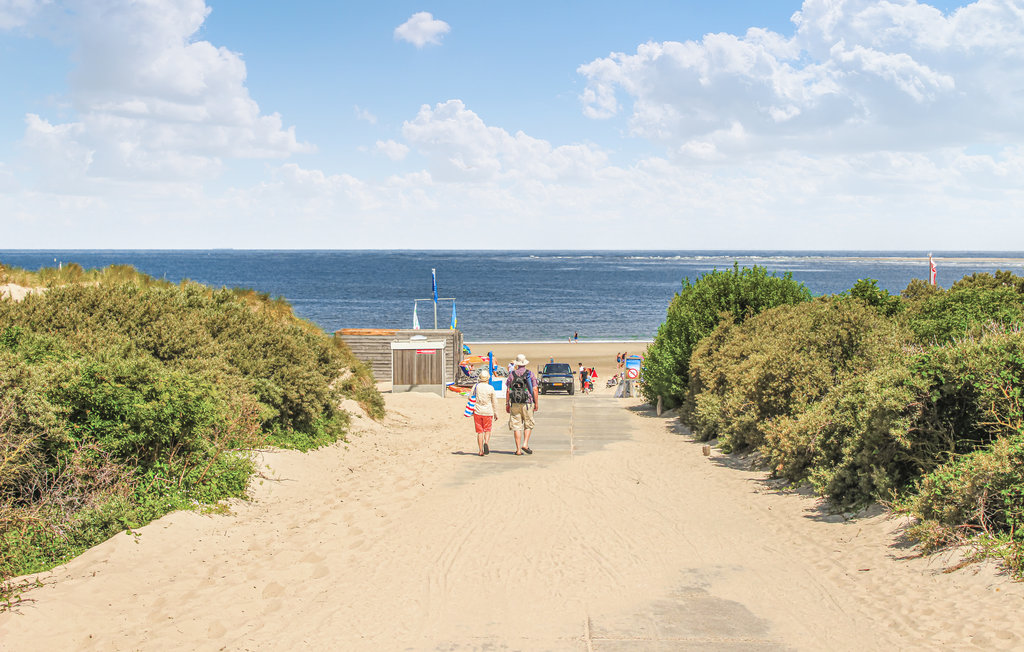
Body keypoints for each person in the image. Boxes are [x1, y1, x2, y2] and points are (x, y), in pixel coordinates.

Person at [505, 354, 538, 455]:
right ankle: (525, 444)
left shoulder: (512, 374)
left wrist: (507, 403)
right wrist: (536, 402)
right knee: (528, 424)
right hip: (527, 402)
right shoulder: (530, 374)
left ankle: (518, 450)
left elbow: (508, 389)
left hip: (515, 402)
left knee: (516, 426)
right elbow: (535, 389)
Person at [472, 370, 499, 456]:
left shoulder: (476, 386)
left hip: (478, 410)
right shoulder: (490, 388)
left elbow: (470, 396)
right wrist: (496, 412)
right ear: (488, 379)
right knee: (487, 429)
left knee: (479, 431)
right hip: (488, 411)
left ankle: (480, 451)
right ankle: (486, 442)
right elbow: (494, 401)